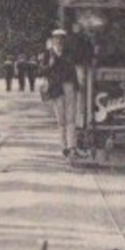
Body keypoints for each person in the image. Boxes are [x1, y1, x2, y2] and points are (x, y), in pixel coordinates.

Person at [38, 29, 76, 157]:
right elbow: (41, 71)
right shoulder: (48, 54)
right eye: (56, 38)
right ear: (53, 39)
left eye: (61, 38)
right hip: (56, 88)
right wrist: (50, 65)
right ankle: (63, 146)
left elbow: (73, 69)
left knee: (71, 117)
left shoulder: (69, 53)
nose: (59, 41)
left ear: (64, 40)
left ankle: (71, 146)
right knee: (61, 119)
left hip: (68, 85)